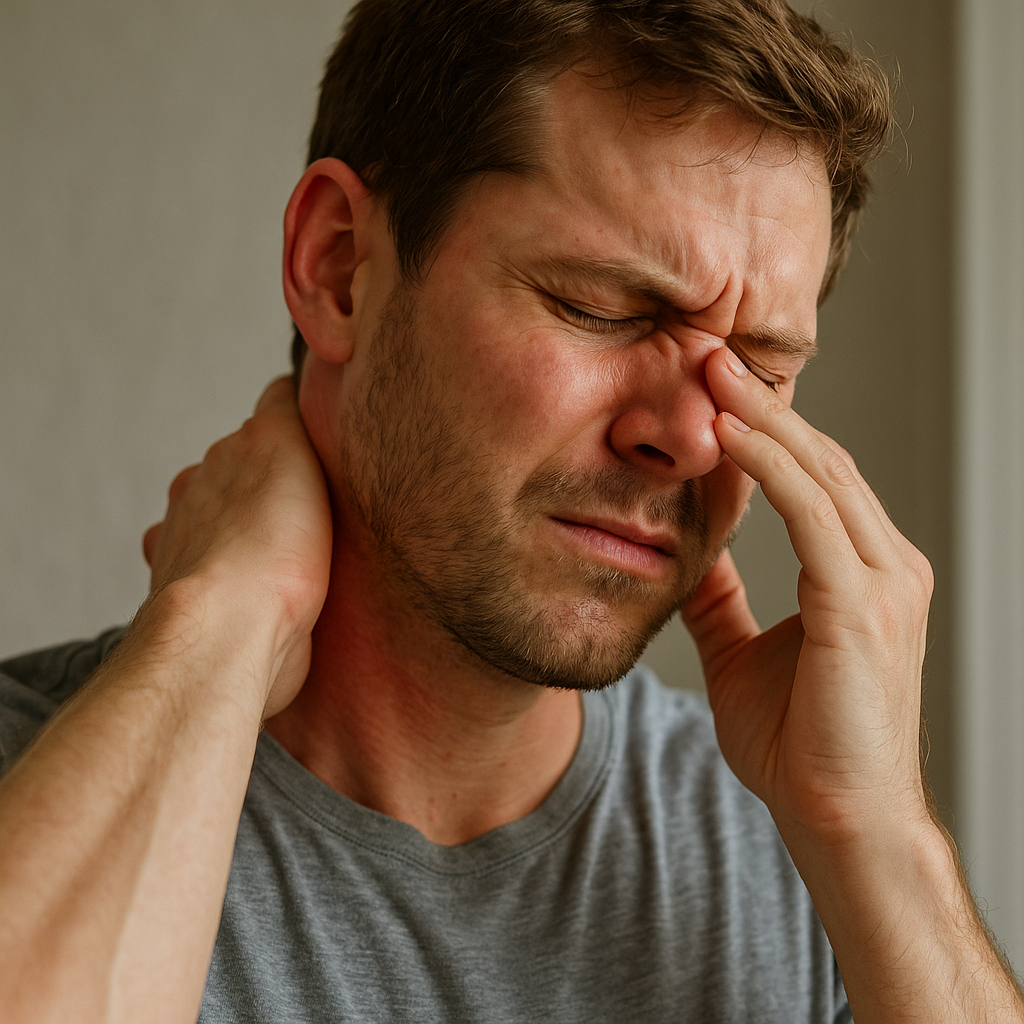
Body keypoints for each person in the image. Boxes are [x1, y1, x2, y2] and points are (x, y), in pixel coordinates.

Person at [0, 0, 1021, 1020]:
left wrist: (879, 837)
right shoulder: (24, 781)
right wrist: (220, 620)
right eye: (601, 306)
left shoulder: (807, 857)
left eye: (757, 368)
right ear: (339, 266)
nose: (695, 435)